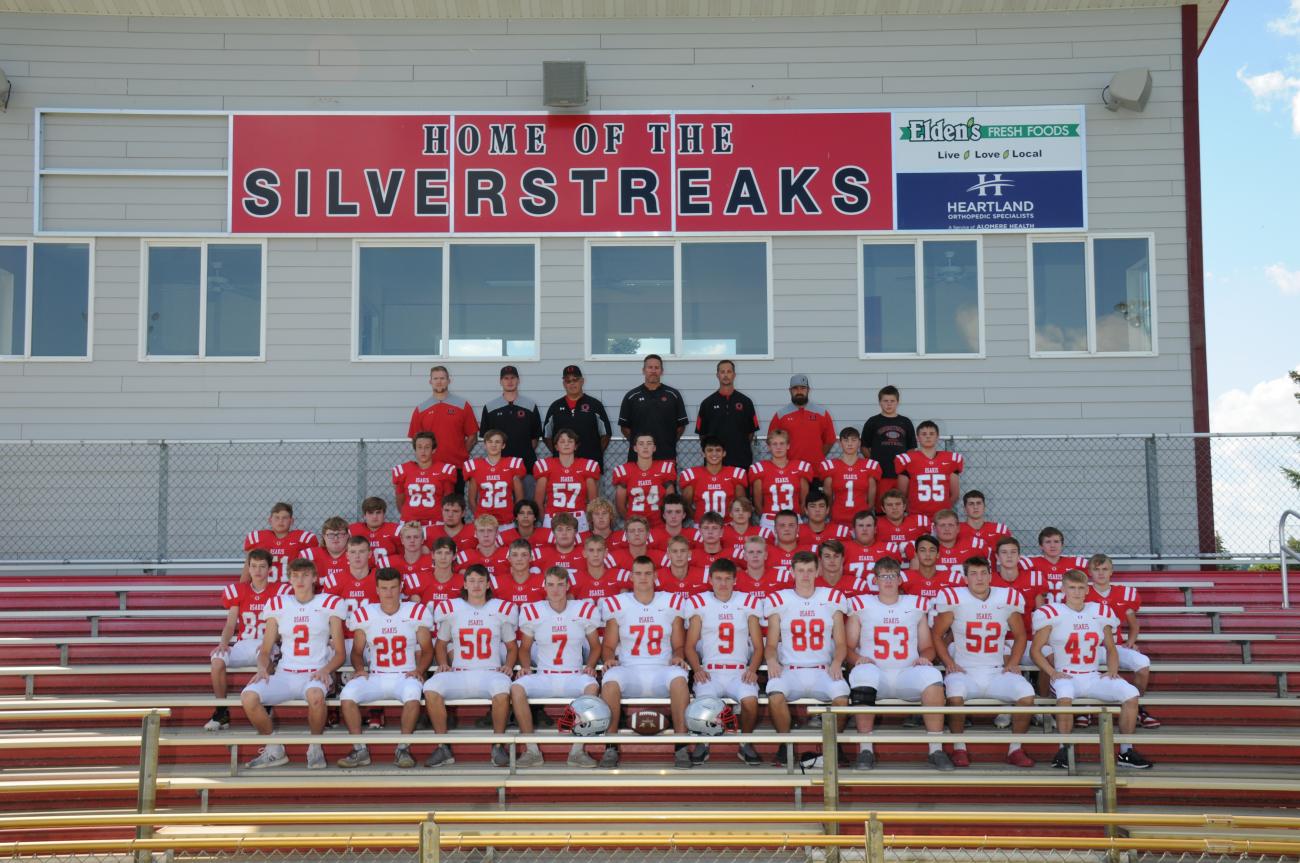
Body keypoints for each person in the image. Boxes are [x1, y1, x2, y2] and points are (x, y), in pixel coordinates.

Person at [1032, 569, 1154, 770]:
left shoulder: (1099, 612)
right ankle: (1064, 749)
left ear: (1087, 590)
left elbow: (1111, 647)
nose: (1077, 592)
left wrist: (1113, 670)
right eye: (1072, 588)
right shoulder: (1052, 613)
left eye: (1081, 588)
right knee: (1064, 695)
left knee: (1131, 694)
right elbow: (1036, 650)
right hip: (1066, 674)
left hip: (1092, 674)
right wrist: (1052, 672)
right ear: (1063, 589)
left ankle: (1126, 751)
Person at [844, 556, 953, 771]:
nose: (888, 580)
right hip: (876, 674)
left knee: (932, 676)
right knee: (862, 672)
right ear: (875, 580)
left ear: (900, 579)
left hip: (906, 673)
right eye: (883, 576)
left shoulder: (915, 605)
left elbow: (928, 647)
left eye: (892, 575)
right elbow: (847, 648)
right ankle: (865, 749)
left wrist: (926, 658)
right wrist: (858, 659)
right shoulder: (861, 605)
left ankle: (936, 748)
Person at [930, 556, 1036, 769]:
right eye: (973, 573)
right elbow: (937, 634)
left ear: (990, 575)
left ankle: (1015, 748)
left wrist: (1013, 662)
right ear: (965, 577)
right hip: (965, 670)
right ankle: (959, 747)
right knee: (955, 696)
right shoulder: (954, 600)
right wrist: (949, 662)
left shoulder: (1006, 599)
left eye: (983, 573)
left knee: (1026, 696)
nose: (979, 578)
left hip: (996, 670)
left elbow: (1021, 635)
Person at [240, 559, 346, 769]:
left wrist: (326, 669)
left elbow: (341, 653)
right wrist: (262, 668)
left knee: (316, 696)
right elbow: (266, 650)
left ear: (315, 578)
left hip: (314, 673)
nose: (300, 580)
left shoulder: (329, 603)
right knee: (248, 697)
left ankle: (315, 747)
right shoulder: (278, 604)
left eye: (305, 575)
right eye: (295, 575)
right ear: (289, 579)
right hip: (285, 674)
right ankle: (273, 748)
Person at [598, 556, 693, 769]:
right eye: (638, 573)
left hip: (661, 668)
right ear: (631, 577)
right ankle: (610, 746)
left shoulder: (670, 602)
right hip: (629, 668)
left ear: (655, 576)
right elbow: (608, 646)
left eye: (648, 573)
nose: (643, 578)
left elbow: (678, 644)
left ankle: (681, 746)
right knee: (611, 679)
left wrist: (678, 655)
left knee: (679, 678)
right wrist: (609, 659)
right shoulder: (618, 604)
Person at [335, 568, 434, 769]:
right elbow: (356, 651)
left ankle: (403, 748)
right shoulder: (366, 614)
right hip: (377, 674)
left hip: (405, 673)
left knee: (413, 695)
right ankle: (359, 749)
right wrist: (360, 668)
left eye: (393, 587)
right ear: (377, 590)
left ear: (401, 588)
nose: (389, 592)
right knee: (347, 695)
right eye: (384, 588)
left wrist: (419, 670)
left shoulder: (415, 611)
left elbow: (427, 649)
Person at [422, 565, 519, 768]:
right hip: (460, 671)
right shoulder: (453, 609)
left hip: (490, 671)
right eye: (472, 580)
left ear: (488, 584)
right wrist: (442, 664)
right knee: (430, 689)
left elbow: (511, 647)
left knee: (502, 691)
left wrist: (509, 666)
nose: (476, 585)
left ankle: (498, 746)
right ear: (464, 584)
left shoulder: (500, 610)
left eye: (481, 580)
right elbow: (440, 644)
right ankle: (442, 746)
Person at [764, 551, 850, 767]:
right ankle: (785, 745)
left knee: (841, 697)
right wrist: (772, 660)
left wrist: (837, 662)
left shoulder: (832, 598)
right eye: (800, 570)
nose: (805, 575)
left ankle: (834, 745)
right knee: (775, 695)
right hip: (790, 669)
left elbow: (841, 643)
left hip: (823, 669)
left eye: (810, 570)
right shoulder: (779, 599)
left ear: (817, 571)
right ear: (792, 571)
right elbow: (771, 643)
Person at [511, 567, 602, 768]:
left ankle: (577, 750)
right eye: (551, 584)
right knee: (516, 688)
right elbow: (524, 648)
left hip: (574, 674)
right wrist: (525, 667)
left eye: (560, 585)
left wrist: (590, 666)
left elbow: (596, 646)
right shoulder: (533, 611)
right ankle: (531, 750)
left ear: (568, 586)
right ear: (544, 586)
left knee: (592, 687)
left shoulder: (582, 609)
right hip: (545, 675)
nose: (555, 590)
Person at [685, 558, 766, 766]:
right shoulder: (700, 603)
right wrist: (697, 669)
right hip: (710, 671)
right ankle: (703, 742)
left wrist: (753, 669)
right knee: (704, 705)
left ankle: (745, 742)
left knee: (750, 701)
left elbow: (758, 646)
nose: (722, 583)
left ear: (734, 581)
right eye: (718, 579)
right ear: (710, 580)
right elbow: (690, 645)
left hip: (739, 671)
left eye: (727, 579)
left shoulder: (747, 603)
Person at [205, 549, 289, 732]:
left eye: (262, 566)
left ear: (270, 569)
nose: (257, 570)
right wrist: (224, 643)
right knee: (217, 660)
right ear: (248, 568)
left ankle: (265, 703)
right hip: (244, 643)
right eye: (253, 566)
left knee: (267, 656)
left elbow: (283, 622)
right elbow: (230, 623)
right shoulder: (239, 590)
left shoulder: (280, 591)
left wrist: (270, 641)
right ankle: (221, 710)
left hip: (266, 643)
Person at [1086, 553, 1160, 729]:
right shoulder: (1083, 592)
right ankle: (1084, 708)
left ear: (1112, 571)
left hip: (1116, 646)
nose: (1101, 573)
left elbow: (1133, 624)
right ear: (1089, 572)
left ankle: (1137, 704)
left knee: (1142, 663)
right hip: (1090, 647)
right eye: (1096, 570)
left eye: (1105, 569)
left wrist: (1131, 641)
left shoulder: (1123, 593)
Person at [408, 365, 478, 491]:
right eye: (435, 378)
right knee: (433, 507)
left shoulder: (463, 405)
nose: (439, 381)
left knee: (454, 506)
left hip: (456, 466)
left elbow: (473, 435)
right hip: (430, 467)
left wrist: (462, 453)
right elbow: (416, 439)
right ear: (430, 382)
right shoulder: (421, 409)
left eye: (442, 378)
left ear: (448, 380)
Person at [479, 365, 544, 501]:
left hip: (526, 466)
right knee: (502, 506)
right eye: (506, 378)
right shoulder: (490, 407)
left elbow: (534, 439)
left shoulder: (530, 405)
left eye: (513, 378)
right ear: (500, 381)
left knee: (526, 506)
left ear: (518, 380)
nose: (509, 381)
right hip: (498, 469)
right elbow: (486, 438)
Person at [618, 354, 689, 463]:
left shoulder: (673, 395)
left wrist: (668, 442)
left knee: (668, 481)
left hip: (666, 456)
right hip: (638, 458)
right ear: (643, 370)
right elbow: (624, 428)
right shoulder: (631, 396)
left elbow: (680, 426)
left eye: (657, 367)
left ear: (662, 371)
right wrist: (640, 444)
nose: (653, 370)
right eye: (650, 367)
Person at [543, 365, 613, 469]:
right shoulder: (555, 406)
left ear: (582, 381)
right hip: (562, 467)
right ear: (564, 384)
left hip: (590, 466)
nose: (572, 383)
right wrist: (559, 454)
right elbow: (546, 436)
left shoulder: (595, 405)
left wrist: (595, 453)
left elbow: (606, 435)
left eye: (575, 380)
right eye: (568, 381)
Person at [695, 359, 758, 470]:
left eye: (729, 372)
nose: (725, 375)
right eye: (722, 372)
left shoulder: (746, 402)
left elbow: (750, 433)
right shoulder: (707, 403)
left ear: (734, 375)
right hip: (715, 463)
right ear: (717, 375)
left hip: (741, 461)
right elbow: (702, 434)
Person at [894, 420, 963, 521]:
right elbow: (902, 495)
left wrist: (944, 510)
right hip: (916, 516)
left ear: (937, 437)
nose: (928, 436)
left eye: (931, 434)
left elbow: (955, 494)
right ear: (917, 438)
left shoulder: (950, 459)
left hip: (942, 517)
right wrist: (911, 511)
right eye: (924, 434)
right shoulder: (908, 460)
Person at [534, 429, 601, 531]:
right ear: (556, 446)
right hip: (553, 517)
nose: (566, 444)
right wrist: (545, 519)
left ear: (575, 446)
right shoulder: (546, 466)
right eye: (562, 441)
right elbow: (538, 502)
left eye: (570, 441)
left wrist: (588, 520)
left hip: (579, 518)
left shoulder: (587, 466)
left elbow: (593, 502)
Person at [768, 373, 836, 474]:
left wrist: (817, 456)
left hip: (815, 471)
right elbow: (771, 440)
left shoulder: (822, 413)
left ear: (808, 390)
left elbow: (829, 440)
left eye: (803, 388)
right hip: (789, 471)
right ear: (790, 390)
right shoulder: (780, 415)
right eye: (795, 388)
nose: (799, 391)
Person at [861, 386, 916, 508]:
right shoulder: (873, 421)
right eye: (885, 401)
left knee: (900, 507)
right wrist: (874, 464)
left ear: (898, 402)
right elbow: (864, 447)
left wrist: (905, 466)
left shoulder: (905, 422)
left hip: (901, 474)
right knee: (882, 508)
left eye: (892, 401)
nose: (889, 404)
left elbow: (912, 448)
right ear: (880, 402)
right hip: (881, 474)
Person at [748, 429, 813, 530]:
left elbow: (804, 500)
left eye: (782, 443)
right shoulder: (760, 469)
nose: (778, 447)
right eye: (774, 444)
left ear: (788, 446)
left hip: (793, 519)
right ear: (769, 447)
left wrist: (796, 515)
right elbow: (757, 503)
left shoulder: (800, 467)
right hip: (769, 521)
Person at [392, 433, 458, 528]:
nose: (423, 451)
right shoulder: (403, 470)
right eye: (419, 447)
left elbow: (448, 500)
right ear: (415, 449)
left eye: (427, 447)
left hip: (436, 523)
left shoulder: (444, 470)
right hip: (409, 523)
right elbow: (400, 501)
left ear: (433, 450)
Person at [464, 430, 527, 529]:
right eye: (490, 441)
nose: (493, 445)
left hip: (506, 521)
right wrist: (479, 517)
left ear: (503, 445)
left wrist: (514, 515)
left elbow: (519, 498)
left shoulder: (512, 465)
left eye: (497, 442)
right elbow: (472, 499)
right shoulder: (475, 466)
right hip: (484, 522)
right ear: (485, 444)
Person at [612, 433, 677, 528]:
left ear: (654, 448)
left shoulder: (665, 468)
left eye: (649, 443)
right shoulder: (624, 471)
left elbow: (671, 501)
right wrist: (632, 521)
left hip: (659, 524)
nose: (645, 447)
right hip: (635, 526)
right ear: (635, 448)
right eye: (641, 444)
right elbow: (620, 505)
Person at [821, 427, 882, 528]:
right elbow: (828, 497)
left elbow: (871, 500)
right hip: (838, 518)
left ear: (859, 443)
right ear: (840, 443)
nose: (850, 444)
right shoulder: (830, 466)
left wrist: (865, 513)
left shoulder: (869, 466)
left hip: (861, 520)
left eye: (853, 440)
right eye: (846, 440)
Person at [243, 501, 317, 583]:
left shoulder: (303, 539)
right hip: (265, 588)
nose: (280, 521)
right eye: (277, 517)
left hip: (291, 589)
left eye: (284, 518)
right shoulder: (258, 538)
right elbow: (248, 568)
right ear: (270, 520)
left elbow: (310, 570)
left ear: (291, 521)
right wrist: (243, 588)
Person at [680, 436, 749, 520]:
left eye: (718, 450)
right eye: (710, 450)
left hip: (728, 525)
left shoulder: (735, 474)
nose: (714, 454)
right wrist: (698, 520)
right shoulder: (692, 475)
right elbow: (686, 505)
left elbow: (742, 504)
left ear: (724, 453)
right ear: (703, 453)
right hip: (702, 527)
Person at [844, 511, 908, 592]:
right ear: (853, 530)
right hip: (851, 596)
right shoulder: (843, 549)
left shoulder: (889, 549)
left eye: (869, 525)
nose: (864, 529)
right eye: (860, 525)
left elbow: (898, 579)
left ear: (875, 529)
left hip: (882, 599)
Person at [1026, 527, 1090, 603]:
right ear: (1041, 546)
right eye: (1048, 542)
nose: (1052, 545)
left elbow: (1102, 571)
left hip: (1069, 611)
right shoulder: (1031, 563)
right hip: (1043, 611)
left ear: (1062, 544)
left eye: (1056, 541)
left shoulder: (1076, 563)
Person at [900, 535, 966, 606]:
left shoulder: (953, 578)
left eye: (932, 550)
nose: (927, 554)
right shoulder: (904, 578)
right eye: (922, 550)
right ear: (916, 554)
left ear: (938, 554)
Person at [569, 534, 631, 605]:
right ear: (584, 553)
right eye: (591, 550)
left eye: (599, 550)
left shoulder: (619, 576)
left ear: (606, 553)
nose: (596, 554)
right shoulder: (574, 579)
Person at [401, 536, 462, 606]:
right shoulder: (416, 580)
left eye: (447, 553)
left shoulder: (463, 582)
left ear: (454, 556)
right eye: (439, 553)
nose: (443, 557)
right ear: (432, 555)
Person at [931, 509, 986, 581]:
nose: (947, 529)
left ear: (958, 528)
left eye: (951, 525)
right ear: (934, 528)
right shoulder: (927, 550)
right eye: (942, 525)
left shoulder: (974, 546)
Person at [491, 538, 546, 605]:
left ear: (531, 558)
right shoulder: (496, 583)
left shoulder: (543, 582)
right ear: (509, 558)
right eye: (515, 555)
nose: (519, 559)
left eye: (524, 555)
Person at [768, 510, 814, 586]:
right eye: (782, 525)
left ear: (798, 528)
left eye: (791, 525)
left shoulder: (811, 551)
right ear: (775, 529)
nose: (787, 529)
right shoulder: (764, 552)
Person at [457, 515, 510, 580]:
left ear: (497, 533)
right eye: (481, 531)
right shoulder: (464, 556)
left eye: (490, 530)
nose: (486, 535)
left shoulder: (508, 554)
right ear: (475, 533)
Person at [656, 535, 708, 602]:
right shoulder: (657, 577)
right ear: (668, 555)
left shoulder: (704, 576)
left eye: (683, 551)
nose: (679, 555)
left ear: (689, 553)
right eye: (675, 551)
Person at [534, 513, 586, 579]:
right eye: (560, 529)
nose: (564, 533)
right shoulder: (540, 555)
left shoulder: (586, 554)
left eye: (568, 529)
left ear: (575, 532)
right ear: (553, 532)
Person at [381, 522, 434, 586]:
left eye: (416, 537)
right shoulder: (389, 563)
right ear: (402, 540)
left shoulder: (433, 562)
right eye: (408, 537)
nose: (412, 540)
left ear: (422, 540)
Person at [303, 516, 351, 583]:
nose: (335, 538)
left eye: (340, 534)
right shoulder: (310, 555)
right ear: (324, 536)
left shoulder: (355, 555)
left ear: (347, 536)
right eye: (331, 534)